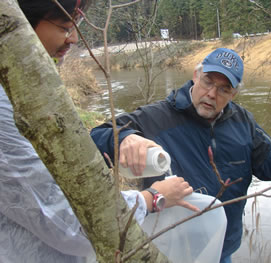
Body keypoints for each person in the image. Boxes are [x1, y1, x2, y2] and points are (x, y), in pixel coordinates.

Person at [91, 48, 271, 263]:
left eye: (224, 89)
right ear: (196, 76)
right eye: (207, 82)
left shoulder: (243, 121)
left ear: (234, 93)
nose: (212, 94)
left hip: (222, 244)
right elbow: (96, 135)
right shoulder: (157, 117)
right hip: (170, 244)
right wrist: (125, 138)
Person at [0, 1, 196, 262]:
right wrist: (152, 198)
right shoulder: (6, 104)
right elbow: (70, 224)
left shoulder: (30, 88)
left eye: (77, 26)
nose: (73, 38)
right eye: (65, 27)